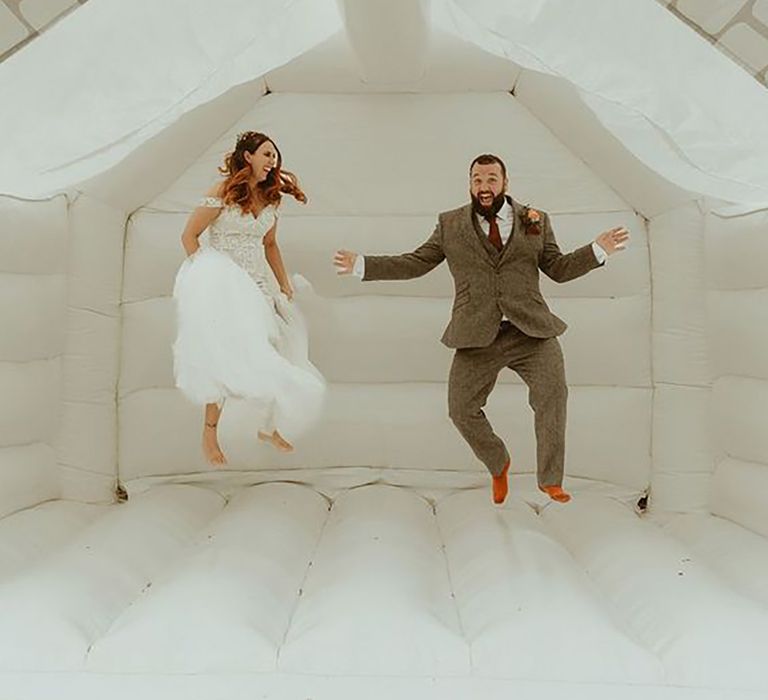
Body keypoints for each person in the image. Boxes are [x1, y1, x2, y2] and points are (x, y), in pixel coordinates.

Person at [334, 154, 628, 504]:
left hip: (531, 330)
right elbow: (416, 263)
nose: (484, 186)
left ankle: (551, 480)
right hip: (477, 333)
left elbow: (559, 269)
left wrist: (597, 250)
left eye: (491, 179)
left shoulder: (535, 220)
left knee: (553, 396)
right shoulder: (450, 224)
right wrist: (362, 265)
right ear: (469, 184)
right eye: (477, 179)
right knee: (460, 409)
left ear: (505, 182)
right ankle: (498, 462)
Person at [173, 131, 325, 467]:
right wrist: (205, 281)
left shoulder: (271, 200)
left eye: (275, 156)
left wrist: (284, 285)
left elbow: (270, 245)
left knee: (280, 349)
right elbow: (189, 236)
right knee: (221, 358)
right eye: (267, 154)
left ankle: (268, 427)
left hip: (258, 286)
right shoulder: (222, 193)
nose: (273, 162)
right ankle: (209, 432)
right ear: (248, 157)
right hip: (225, 290)